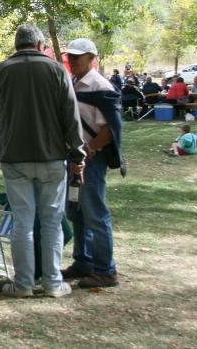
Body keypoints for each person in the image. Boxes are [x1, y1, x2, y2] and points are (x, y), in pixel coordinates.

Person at [0, 24, 85, 298]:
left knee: (22, 222)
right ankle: (52, 283)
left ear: (16, 45)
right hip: (52, 156)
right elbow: (71, 118)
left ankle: (24, 284)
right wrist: (78, 155)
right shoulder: (56, 69)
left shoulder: (1, 70)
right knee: (51, 221)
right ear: (39, 45)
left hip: (15, 157)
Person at [63, 38, 123, 289]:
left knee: (96, 213)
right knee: (77, 212)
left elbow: (109, 129)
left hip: (91, 159)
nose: (73, 60)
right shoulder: (75, 83)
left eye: (78, 56)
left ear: (91, 58)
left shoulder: (100, 86)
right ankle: (84, 261)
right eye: (70, 56)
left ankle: (105, 270)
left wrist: (88, 151)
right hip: (76, 157)